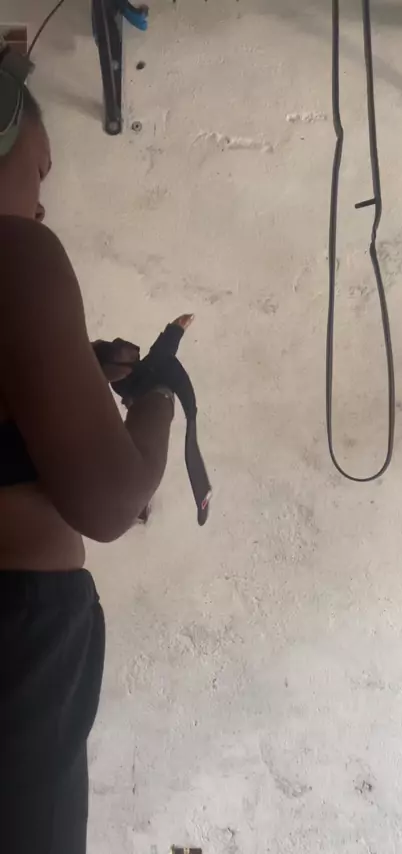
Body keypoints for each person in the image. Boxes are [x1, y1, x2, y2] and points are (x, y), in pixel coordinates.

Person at [0, 87, 191, 853]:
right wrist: (156, 399)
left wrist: (69, 369)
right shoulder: (16, 252)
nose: (42, 202)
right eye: (39, 170)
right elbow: (110, 504)